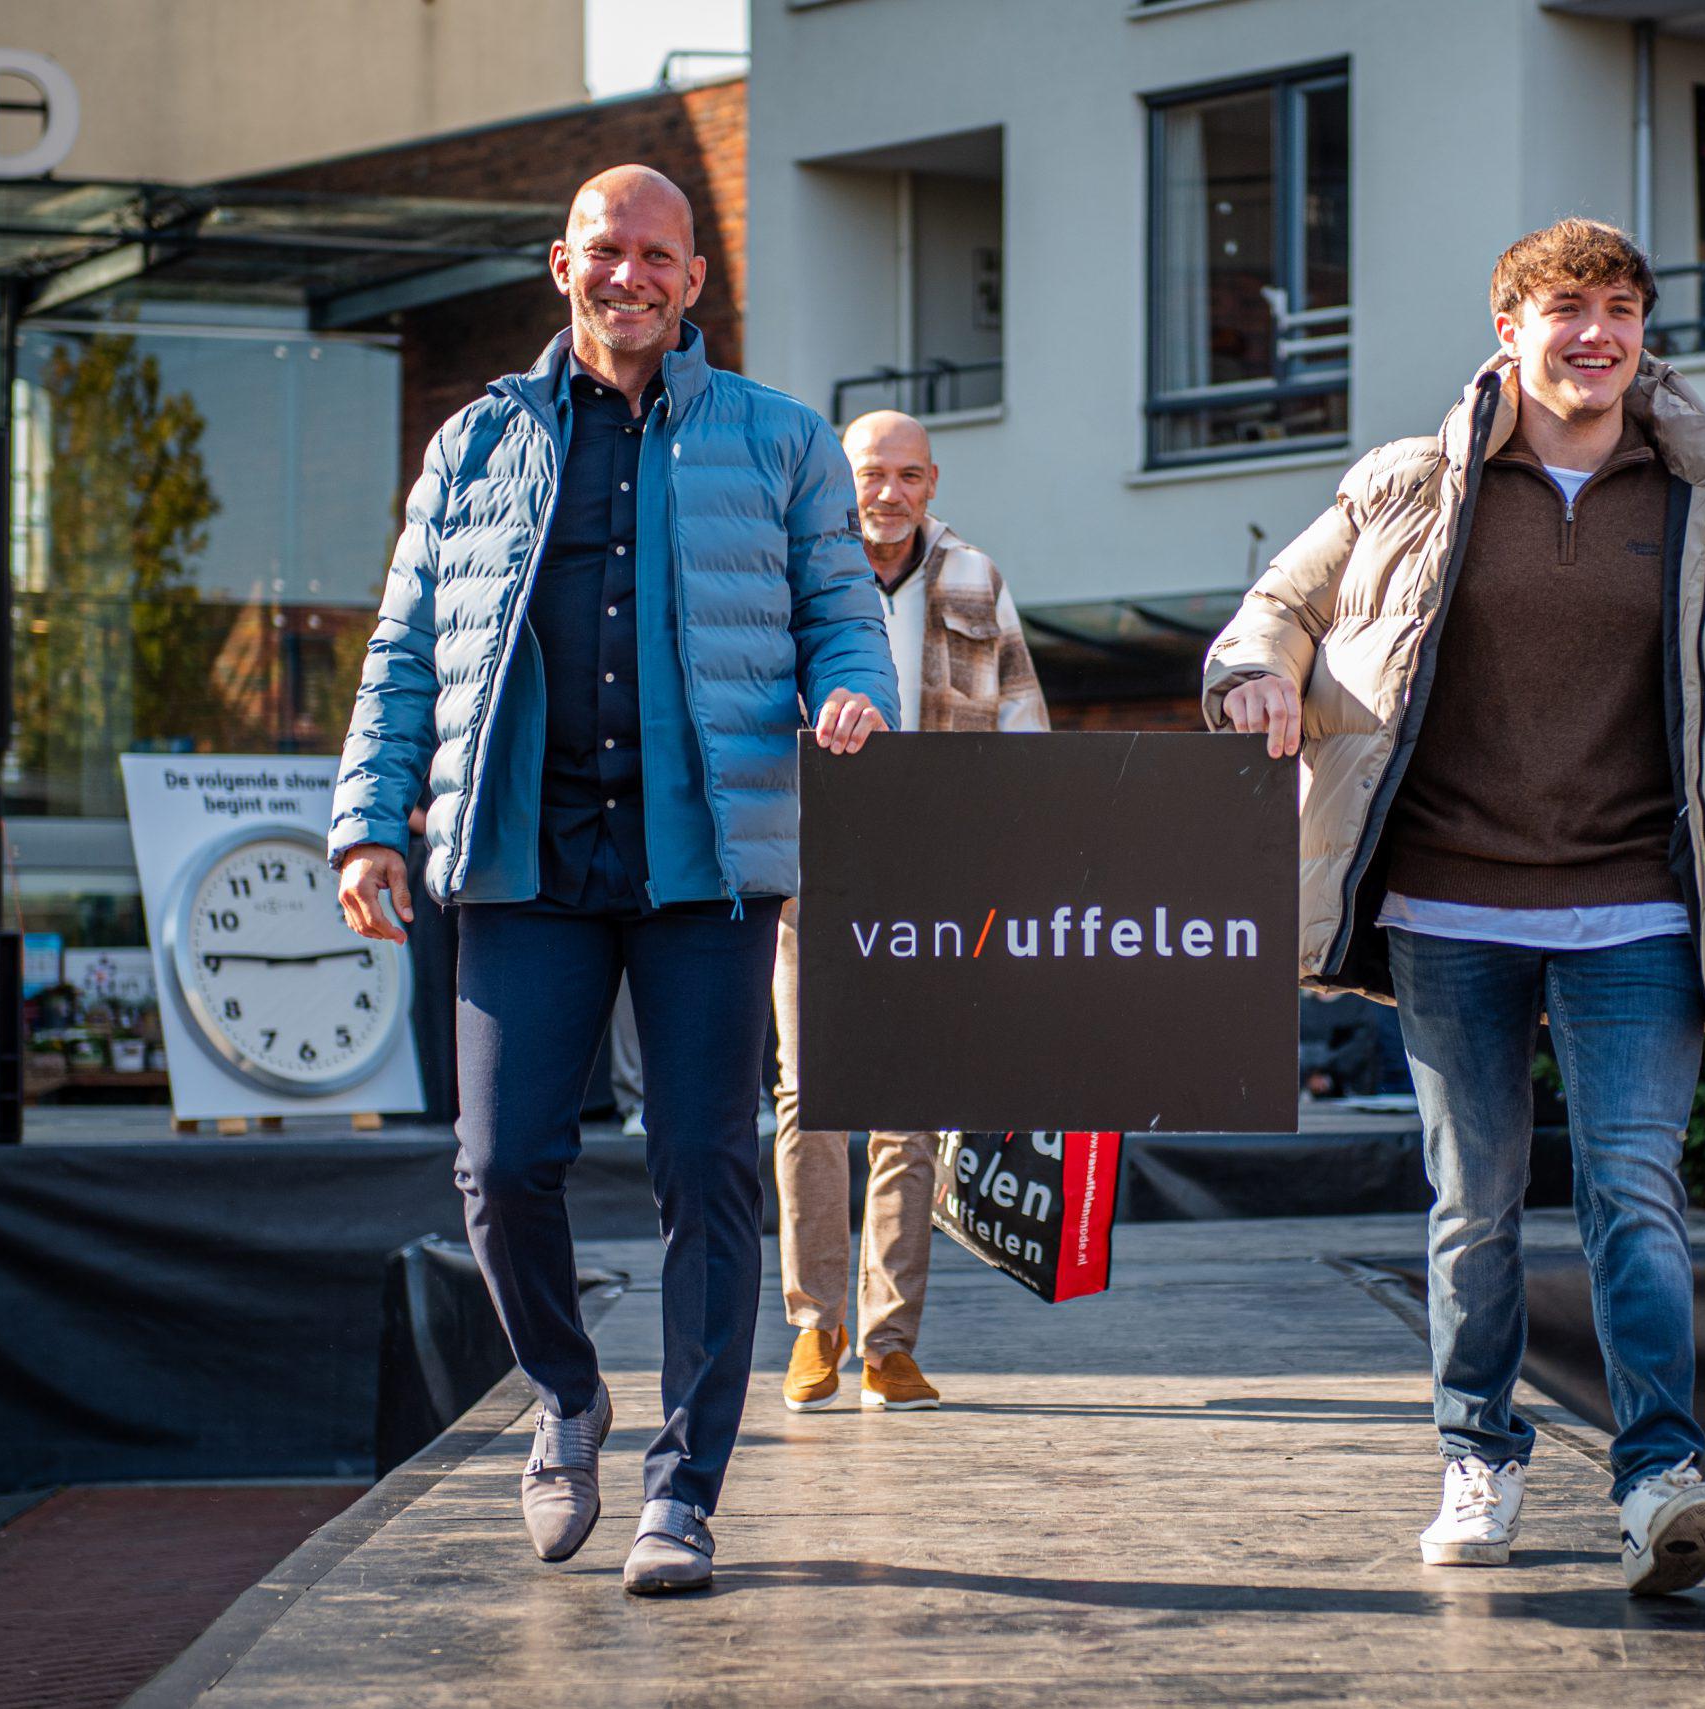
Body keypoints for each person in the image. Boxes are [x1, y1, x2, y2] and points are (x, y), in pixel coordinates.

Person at [1202, 218, 1705, 1594]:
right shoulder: (1411, 483)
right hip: (1450, 904)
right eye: (1566, 308)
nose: (1595, 333)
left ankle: (1659, 1476)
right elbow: (1276, 608)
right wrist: (1251, 678)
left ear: (1642, 332)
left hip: (1640, 908)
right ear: (1511, 330)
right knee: (1474, 1201)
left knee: (1635, 1193)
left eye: (1619, 308)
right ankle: (1477, 1450)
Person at [330, 166, 896, 1596]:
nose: (628, 275)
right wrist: (369, 821)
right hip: (521, 856)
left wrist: (855, 692)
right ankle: (570, 1396)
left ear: (694, 278)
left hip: (706, 863)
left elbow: (841, 607)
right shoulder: (475, 440)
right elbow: (405, 647)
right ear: (561, 264)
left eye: (656, 255)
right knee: (500, 1164)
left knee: (703, 1169)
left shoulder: (780, 439)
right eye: (605, 251)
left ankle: (684, 1489)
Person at [772, 408, 1049, 1416]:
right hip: (811, 859)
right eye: (869, 473)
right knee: (809, 1094)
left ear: (932, 482)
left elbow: (1021, 723)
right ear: (838, 477)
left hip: (935, 870)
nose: (886, 492)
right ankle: (815, 1325)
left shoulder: (975, 577)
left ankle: (889, 1344)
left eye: (907, 475)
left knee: (911, 1103)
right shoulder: (792, 572)